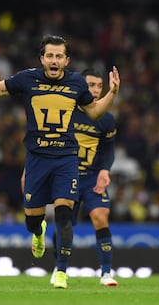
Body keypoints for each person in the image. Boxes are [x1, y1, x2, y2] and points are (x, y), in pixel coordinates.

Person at [0, 34, 120, 289]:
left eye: (59, 56)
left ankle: (60, 271)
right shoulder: (27, 78)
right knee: (33, 220)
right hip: (37, 158)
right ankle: (37, 231)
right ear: (42, 59)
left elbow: (94, 111)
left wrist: (112, 93)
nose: (54, 60)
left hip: (67, 158)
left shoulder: (77, 83)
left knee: (64, 213)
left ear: (66, 60)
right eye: (50, 55)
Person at [49, 68, 118, 286]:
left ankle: (106, 273)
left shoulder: (106, 119)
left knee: (100, 217)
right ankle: (60, 269)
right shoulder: (67, 110)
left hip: (91, 178)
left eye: (99, 85)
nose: (95, 90)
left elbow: (109, 149)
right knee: (64, 222)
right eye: (91, 85)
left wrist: (105, 169)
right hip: (68, 176)